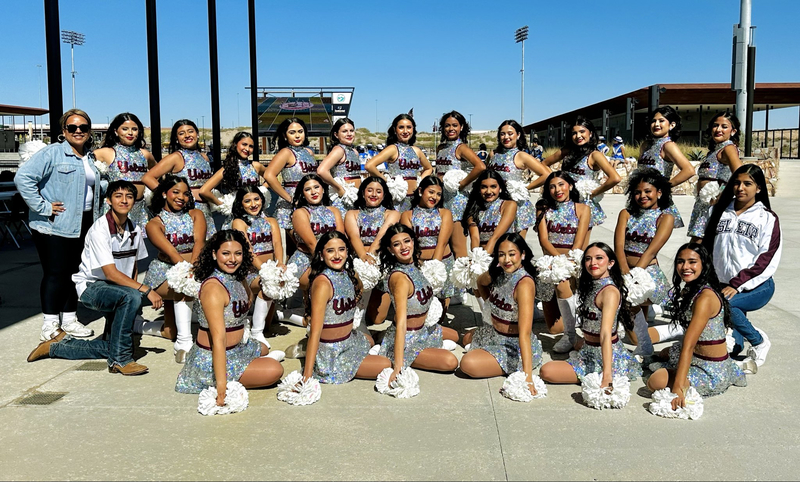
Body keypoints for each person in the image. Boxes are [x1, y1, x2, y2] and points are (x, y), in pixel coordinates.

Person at [26, 181, 159, 376]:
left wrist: (134, 294)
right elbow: (110, 273)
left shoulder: (135, 229)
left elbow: (133, 267)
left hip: (117, 289)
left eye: (129, 196)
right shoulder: (100, 229)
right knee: (131, 300)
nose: (124, 200)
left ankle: (55, 347)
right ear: (108, 201)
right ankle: (120, 361)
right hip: (92, 288)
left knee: (113, 345)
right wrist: (144, 290)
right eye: (118, 196)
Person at [16, 108, 104, 341]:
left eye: (83, 127)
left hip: (84, 222)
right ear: (63, 131)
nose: (77, 131)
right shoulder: (52, 153)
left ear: (89, 131)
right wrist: (43, 207)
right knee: (56, 273)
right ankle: (50, 323)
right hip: (53, 224)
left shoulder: (91, 157)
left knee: (75, 273)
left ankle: (70, 319)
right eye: (72, 127)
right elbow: (23, 178)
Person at [175, 230, 284, 398]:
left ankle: (258, 362)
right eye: (225, 253)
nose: (232, 259)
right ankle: (202, 368)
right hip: (215, 355)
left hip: (239, 347)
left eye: (238, 254)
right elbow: (218, 339)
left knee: (263, 348)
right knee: (275, 371)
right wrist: (221, 386)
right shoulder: (213, 288)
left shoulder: (237, 277)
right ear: (213, 254)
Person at [702, 164, 780, 367]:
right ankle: (740, 338)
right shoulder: (718, 212)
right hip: (723, 284)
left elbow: (766, 258)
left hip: (756, 286)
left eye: (748, 183)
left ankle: (759, 341)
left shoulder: (767, 218)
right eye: (737, 183)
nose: (740, 188)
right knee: (732, 349)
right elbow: (707, 248)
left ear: (759, 188)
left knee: (726, 304)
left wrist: (737, 284)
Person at [647, 243, 747, 402]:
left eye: (692, 262)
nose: (685, 266)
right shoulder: (691, 288)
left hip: (711, 368)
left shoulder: (705, 298)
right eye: (680, 261)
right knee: (666, 352)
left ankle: (689, 376)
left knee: (654, 381)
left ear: (703, 264)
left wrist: (678, 388)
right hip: (695, 356)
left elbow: (689, 344)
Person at [539, 242, 642, 386]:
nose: (593, 262)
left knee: (546, 371)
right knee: (570, 351)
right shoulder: (592, 283)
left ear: (611, 263)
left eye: (599, 258)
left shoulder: (610, 292)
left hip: (604, 357)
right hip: (588, 348)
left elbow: (606, 334)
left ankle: (602, 373)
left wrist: (607, 376)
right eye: (588, 259)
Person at [303, 231, 392, 383]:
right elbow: (315, 331)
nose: (337, 255)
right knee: (386, 364)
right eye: (330, 251)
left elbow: (360, 287)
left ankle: (374, 341)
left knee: (369, 341)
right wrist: (307, 376)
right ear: (321, 255)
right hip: (332, 354)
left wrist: (357, 297)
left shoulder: (348, 273)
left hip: (349, 341)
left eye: (342, 249)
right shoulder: (323, 283)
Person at [460, 233, 543, 393]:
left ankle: (514, 364)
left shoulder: (524, 284)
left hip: (513, 346)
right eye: (501, 255)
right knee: (466, 338)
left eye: (512, 254)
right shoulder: (499, 273)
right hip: (493, 334)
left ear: (523, 254)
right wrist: (490, 306)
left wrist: (527, 377)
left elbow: (524, 333)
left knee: (468, 364)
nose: (507, 260)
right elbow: (480, 283)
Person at [377, 224, 459, 378]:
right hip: (408, 339)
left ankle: (382, 337)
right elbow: (401, 321)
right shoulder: (400, 279)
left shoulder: (413, 265)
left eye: (406, 241)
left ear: (413, 241)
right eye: (396, 244)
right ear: (390, 250)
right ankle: (389, 346)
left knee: (454, 335)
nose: (403, 247)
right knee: (450, 362)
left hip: (424, 331)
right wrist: (398, 367)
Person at [142, 174, 207, 362]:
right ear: (164, 194)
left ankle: (138, 326)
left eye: (186, 194)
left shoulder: (196, 214)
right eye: (175, 192)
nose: (181, 197)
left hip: (192, 267)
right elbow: (172, 254)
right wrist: (187, 274)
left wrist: (194, 270)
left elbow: (199, 244)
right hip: (164, 273)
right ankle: (184, 343)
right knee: (183, 289)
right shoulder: (154, 224)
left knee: (168, 331)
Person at [613, 168, 674, 355]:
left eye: (648, 191)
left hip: (647, 272)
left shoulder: (666, 217)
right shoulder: (626, 213)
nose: (642, 196)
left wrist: (634, 276)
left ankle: (673, 330)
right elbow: (619, 246)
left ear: (659, 192)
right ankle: (668, 332)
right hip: (624, 269)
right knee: (635, 336)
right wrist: (624, 271)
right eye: (638, 192)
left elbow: (651, 251)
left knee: (630, 305)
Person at [536, 171, 590, 352]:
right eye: (552, 186)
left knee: (562, 283)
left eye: (561, 184)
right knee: (552, 329)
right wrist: (557, 261)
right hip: (550, 263)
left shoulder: (583, 209)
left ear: (570, 186)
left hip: (572, 262)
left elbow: (579, 241)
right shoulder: (543, 208)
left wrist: (568, 263)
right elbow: (544, 240)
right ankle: (577, 317)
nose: (557, 190)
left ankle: (570, 336)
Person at [224, 185, 283, 346]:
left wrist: (280, 266)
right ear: (240, 204)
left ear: (262, 200)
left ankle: (250, 321)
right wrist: (266, 271)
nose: (253, 204)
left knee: (270, 325)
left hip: (269, 269)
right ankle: (256, 333)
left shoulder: (271, 221)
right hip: (249, 273)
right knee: (267, 285)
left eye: (256, 199)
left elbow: (277, 244)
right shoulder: (239, 222)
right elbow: (248, 251)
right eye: (247, 201)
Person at [542, 117, 620, 231]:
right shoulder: (567, 151)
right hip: (563, 201)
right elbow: (543, 164)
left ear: (591, 133)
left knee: (579, 245)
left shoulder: (595, 155)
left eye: (582, 131)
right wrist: (555, 180)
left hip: (583, 205)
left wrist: (593, 193)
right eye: (574, 133)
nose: (578, 136)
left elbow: (615, 178)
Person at [143, 119, 215, 237]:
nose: (187, 135)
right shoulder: (176, 157)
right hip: (186, 211)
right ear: (176, 138)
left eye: (190, 131)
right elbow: (148, 177)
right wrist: (168, 196)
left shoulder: (204, 157)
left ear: (197, 134)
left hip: (206, 211)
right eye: (181, 133)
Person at [345, 176, 401, 326]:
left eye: (378, 191)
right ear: (363, 193)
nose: (374, 194)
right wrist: (363, 257)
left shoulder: (392, 214)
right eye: (370, 190)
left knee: (377, 319)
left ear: (384, 195)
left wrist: (371, 256)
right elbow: (354, 236)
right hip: (359, 261)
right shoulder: (352, 214)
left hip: (382, 263)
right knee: (357, 312)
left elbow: (381, 236)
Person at [92, 112, 156, 234]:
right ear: (116, 131)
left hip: (140, 210)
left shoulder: (145, 154)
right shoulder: (105, 152)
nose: (130, 133)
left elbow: (158, 172)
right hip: (115, 210)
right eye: (125, 129)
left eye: (134, 129)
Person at [434, 111, 487, 259]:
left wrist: (463, 184)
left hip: (457, 201)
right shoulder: (441, 148)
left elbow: (480, 166)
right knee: (444, 244)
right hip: (441, 198)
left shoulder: (461, 147)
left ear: (461, 127)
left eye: (455, 125)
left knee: (458, 247)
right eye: (447, 125)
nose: (451, 128)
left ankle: (463, 280)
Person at [400, 176, 455, 315]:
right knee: (420, 306)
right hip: (418, 264)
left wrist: (435, 269)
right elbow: (409, 245)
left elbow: (442, 243)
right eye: (431, 192)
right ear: (420, 191)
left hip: (442, 264)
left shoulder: (445, 213)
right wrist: (420, 266)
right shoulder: (407, 215)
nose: (434, 197)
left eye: (438, 194)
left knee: (440, 311)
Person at [488, 120, 551, 237]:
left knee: (515, 246)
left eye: (510, 133)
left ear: (518, 135)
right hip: (495, 204)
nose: (506, 137)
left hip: (517, 206)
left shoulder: (521, 155)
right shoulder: (493, 154)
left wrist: (525, 188)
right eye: (502, 134)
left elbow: (546, 174)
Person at [687, 112, 743, 242]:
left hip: (714, 206)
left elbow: (740, 172)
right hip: (703, 205)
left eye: (724, 126)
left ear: (733, 131)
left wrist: (722, 195)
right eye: (715, 125)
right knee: (698, 242)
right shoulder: (715, 150)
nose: (718, 129)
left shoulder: (728, 148)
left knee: (699, 244)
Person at [264, 117, 318, 249]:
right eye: (292, 132)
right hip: (289, 208)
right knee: (297, 248)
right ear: (284, 135)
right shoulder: (286, 152)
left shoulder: (308, 152)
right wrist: (290, 198)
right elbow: (269, 175)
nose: (297, 135)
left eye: (300, 131)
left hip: (310, 202)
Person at [637, 106, 696, 228]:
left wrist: (665, 186)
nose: (656, 124)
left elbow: (689, 170)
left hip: (658, 202)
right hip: (641, 198)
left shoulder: (668, 146)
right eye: (653, 121)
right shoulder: (646, 145)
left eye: (661, 120)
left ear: (672, 125)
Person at [365, 113, 433, 212]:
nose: (405, 131)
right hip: (396, 201)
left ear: (413, 129)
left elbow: (429, 168)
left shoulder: (416, 150)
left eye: (409, 127)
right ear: (394, 130)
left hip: (414, 200)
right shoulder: (393, 149)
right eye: (401, 127)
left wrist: (420, 181)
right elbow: (369, 165)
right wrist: (387, 181)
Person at [198, 131, 267, 209]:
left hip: (256, 210)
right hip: (237, 214)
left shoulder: (256, 166)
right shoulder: (227, 168)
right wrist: (224, 205)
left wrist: (262, 189)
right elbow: (204, 191)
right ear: (235, 144)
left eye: (251, 146)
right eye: (244, 144)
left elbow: (271, 177)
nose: (247, 149)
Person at [463, 170, 517, 255]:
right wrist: (476, 259)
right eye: (484, 187)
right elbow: (475, 238)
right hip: (483, 255)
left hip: (503, 256)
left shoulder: (509, 205)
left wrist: (484, 260)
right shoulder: (473, 207)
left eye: (493, 187)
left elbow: (496, 236)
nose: (488, 191)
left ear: (500, 188)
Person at [317, 118, 363, 213]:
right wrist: (339, 189)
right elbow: (321, 170)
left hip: (355, 197)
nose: (349, 134)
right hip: (342, 199)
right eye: (344, 131)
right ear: (336, 135)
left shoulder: (354, 152)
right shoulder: (339, 150)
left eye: (351, 130)